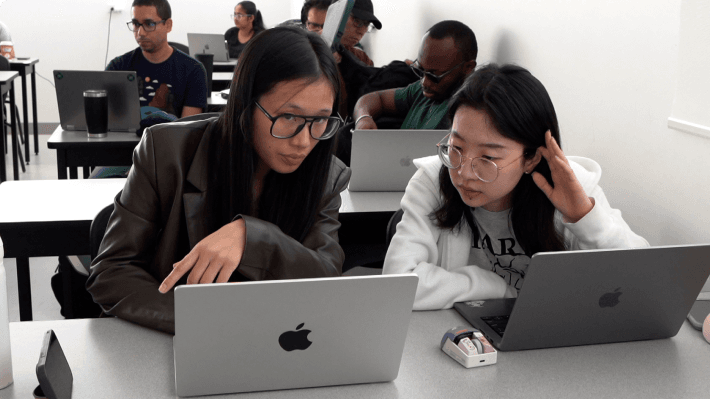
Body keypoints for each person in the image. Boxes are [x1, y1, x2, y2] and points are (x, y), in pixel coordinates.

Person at [86, 27, 350, 334]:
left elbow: (327, 277)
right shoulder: (166, 151)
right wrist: (206, 323)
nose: (305, 142)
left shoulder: (327, 175)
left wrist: (254, 238)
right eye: (289, 117)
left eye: (320, 120)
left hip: (271, 344)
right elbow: (111, 272)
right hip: (173, 343)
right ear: (246, 104)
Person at [382, 64, 649, 310]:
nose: (463, 172)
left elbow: (643, 280)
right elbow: (398, 284)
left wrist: (584, 217)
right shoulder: (433, 181)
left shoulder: (570, 187)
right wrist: (495, 286)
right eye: (456, 148)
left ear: (531, 158)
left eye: (488, 158)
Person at [352, 20, 477, 131]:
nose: (425, 82)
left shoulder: (469, 111)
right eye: (421, 71)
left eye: (434, 76)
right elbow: (375, 98)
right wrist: (363, 117)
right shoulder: (420, 91)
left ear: (467, 68)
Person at [107, 0, 207, 120]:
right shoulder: (117, 67)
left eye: (149, 24)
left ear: (168, 25)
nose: (140, 32)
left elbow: (188, 131)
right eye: (136, 24)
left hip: (171, 138)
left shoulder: (193, 71)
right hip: (125, 139)